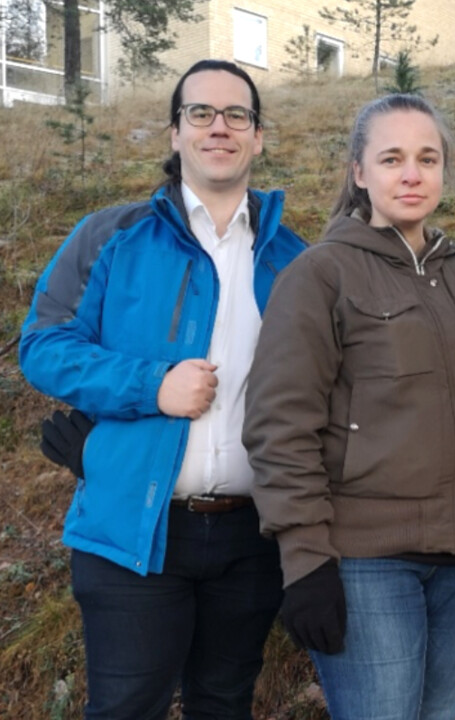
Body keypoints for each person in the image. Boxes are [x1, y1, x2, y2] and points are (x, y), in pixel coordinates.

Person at [19, 59, 308, 719]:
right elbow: (44, 348)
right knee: (127, 707)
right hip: (134, 532)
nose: (219, 127)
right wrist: (152, 385)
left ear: (258, 136)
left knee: (224, 704)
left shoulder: (297, 259)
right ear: (176, 134)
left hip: (252, 538)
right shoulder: (110, 236)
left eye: (237, 115)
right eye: (199, 113)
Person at [242, 93, 455, 720]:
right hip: (366, 564)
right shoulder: (320, 275)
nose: (411, 174)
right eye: (391, 158)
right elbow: (281, 425)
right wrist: (305, 561)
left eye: (426, 158)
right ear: (359, 171)